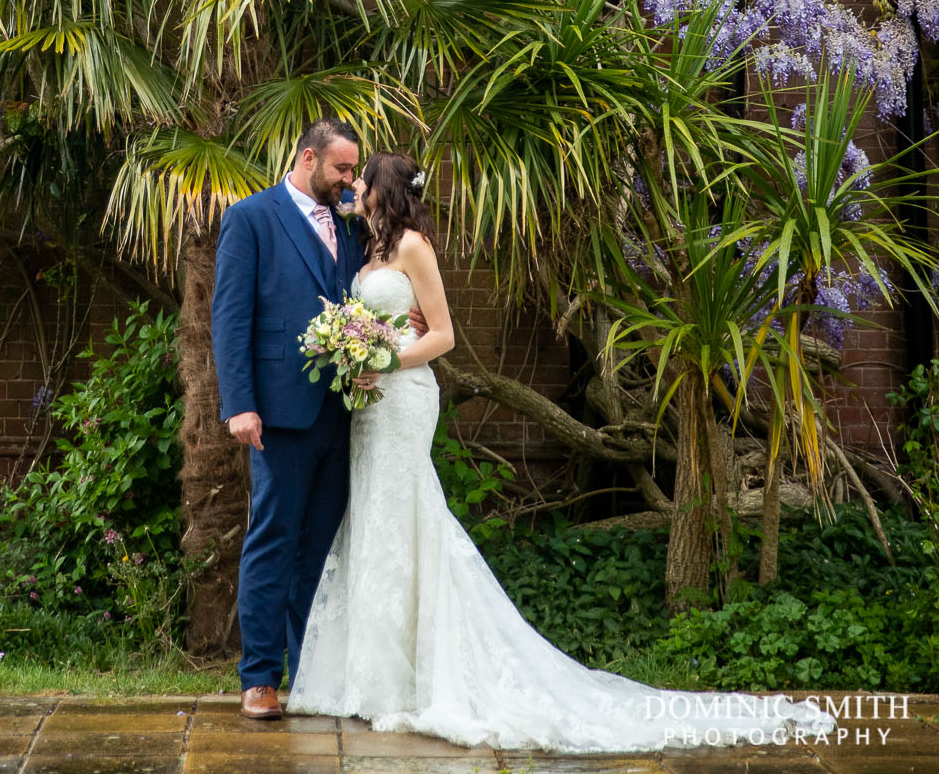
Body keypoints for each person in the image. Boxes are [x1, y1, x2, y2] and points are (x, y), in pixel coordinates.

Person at [287, 151, 832, 755]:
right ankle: (375, 676)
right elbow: (378, 319)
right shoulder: (368, 252)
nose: (353, 186)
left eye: (362, 179)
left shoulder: (414, 246)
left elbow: (441, 335)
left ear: (384, 190)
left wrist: (387, 358)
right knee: (375, 519)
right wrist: (357, 354)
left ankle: (418, 677)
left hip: (407, 397)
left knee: (407, 515)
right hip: (371, 406)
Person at [210, 118, 369, 720]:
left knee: (323, 548)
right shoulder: (251, 218)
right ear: (308, 159)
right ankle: (259, 678)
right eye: (342, 169)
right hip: (278, 411)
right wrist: (239, 404)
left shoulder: (352, 223)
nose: (349, 179)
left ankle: (311, 672)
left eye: (354, 170)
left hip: (344, 410)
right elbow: (230, 318)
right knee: (274, 540)